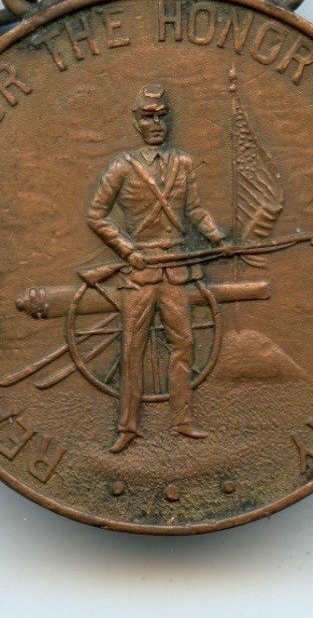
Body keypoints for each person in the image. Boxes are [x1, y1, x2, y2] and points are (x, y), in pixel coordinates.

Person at [87, 84, 225, 454]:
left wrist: (217, 239)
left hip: (176, 270)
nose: (156, 122)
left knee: (185, 344)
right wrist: (127, 249)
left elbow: (194, 211)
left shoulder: (183, 163)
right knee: (133, 348)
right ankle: (128, 427)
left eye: (162, 115)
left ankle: (182, 421)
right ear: (136, 121)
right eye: (148, 116)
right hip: (141, 269)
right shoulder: (121, 166)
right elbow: (97, 215)